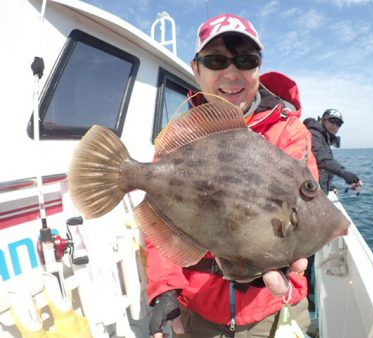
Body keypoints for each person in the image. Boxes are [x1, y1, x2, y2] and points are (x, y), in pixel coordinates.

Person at [146, 13, 320, 338]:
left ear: (258, 68)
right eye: (215, 60)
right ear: (196, 68)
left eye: (245, 60)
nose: (231, 73)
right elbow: (159, 220)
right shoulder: (181, 137)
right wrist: (165, 288)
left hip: (272, 306)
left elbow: (303, 209)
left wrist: (281, 253)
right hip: (197, 306)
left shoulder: (288, 131)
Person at [304, 109, 362, 194]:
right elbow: (321, 159)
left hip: (316, 190)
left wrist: (330, 187)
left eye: (338, 124)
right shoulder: (314, 134)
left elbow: (320, 168)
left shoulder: (324, 137)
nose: (335, 125)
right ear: (323, 120)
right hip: (309, 192)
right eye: (332, 121)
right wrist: (344, 173)